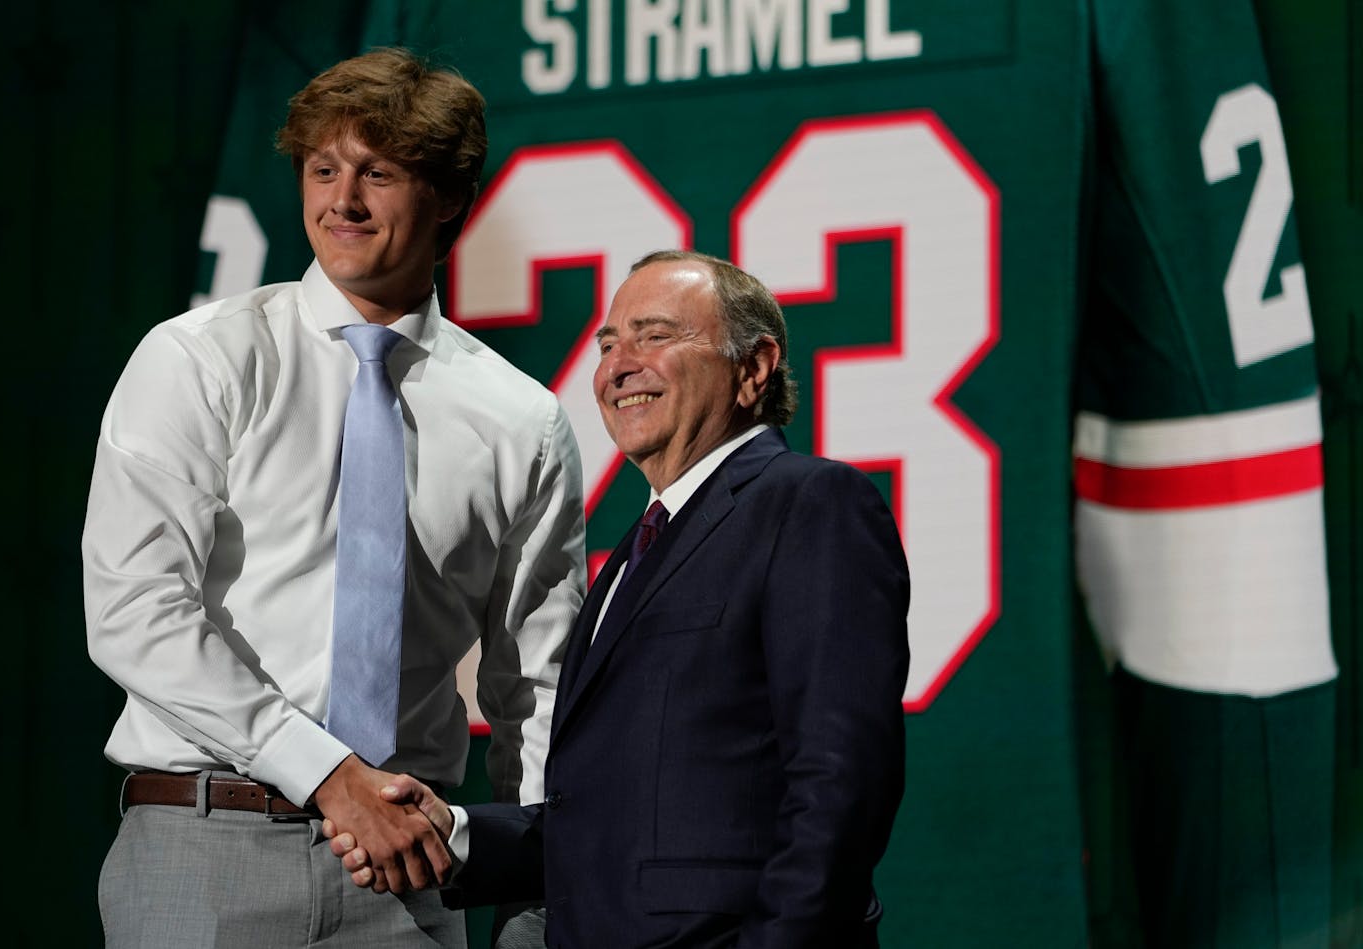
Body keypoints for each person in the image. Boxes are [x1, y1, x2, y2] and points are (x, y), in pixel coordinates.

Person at [81, 47, 586, 948]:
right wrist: (327, 772)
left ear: (450, 196)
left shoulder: (522, 419)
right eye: (323, 169)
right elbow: (133, 611)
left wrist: (535, 908)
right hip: (203, 853)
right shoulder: (200, 358)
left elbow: (535, 692)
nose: (341, 200)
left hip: (410, 881)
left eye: (378, 173)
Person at [327, 249, 911, 947]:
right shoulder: (640, 548)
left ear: (754, 367)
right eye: (608, 344)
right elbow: (605, 815)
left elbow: (841, 783)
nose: (617, 366)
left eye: (655, 336)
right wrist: (455, 833)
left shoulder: (810, 504)